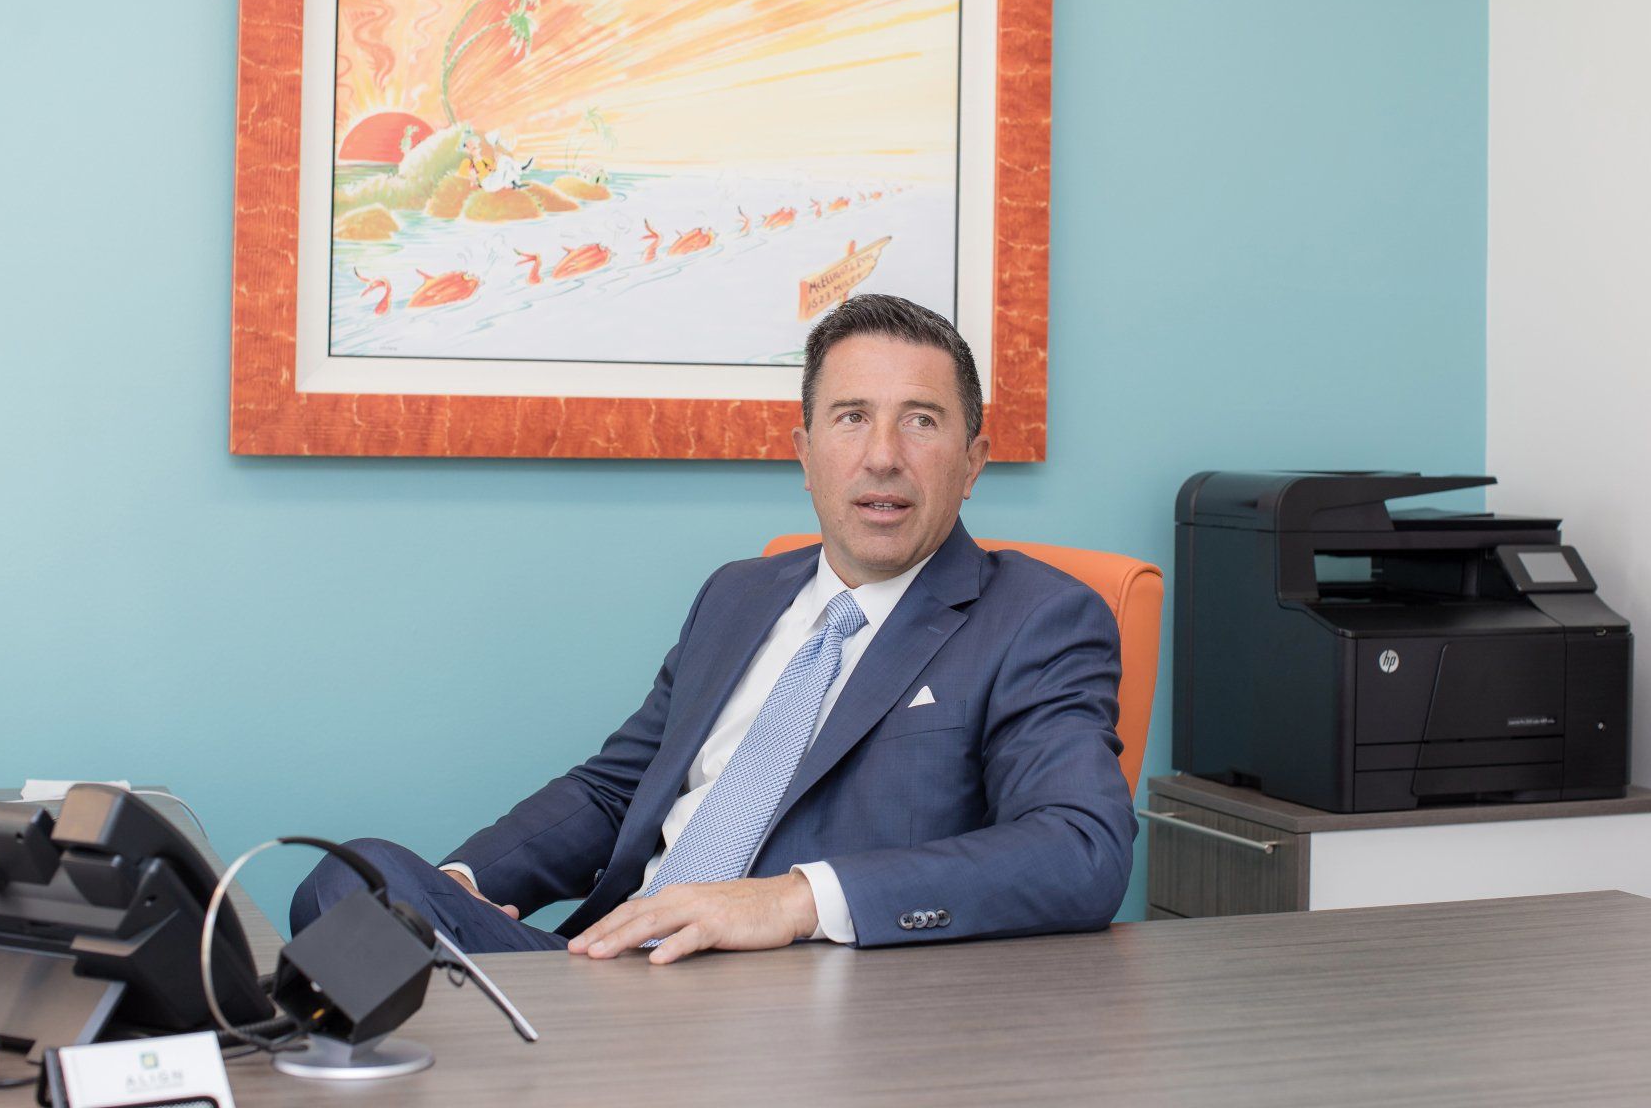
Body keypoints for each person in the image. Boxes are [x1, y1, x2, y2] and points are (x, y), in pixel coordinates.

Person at [291, 294, 1134, 963]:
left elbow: (1079, 851)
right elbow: (612, 791)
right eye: (851, 418)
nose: (883, 455)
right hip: (610, 964)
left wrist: (793, 900)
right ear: (804, 455)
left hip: (785, 1002)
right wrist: (466, 882)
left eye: (920, 419)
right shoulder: (738, 596)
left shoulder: (1036, 619)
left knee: (362, 961)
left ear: (974, 461)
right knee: (359, 882)